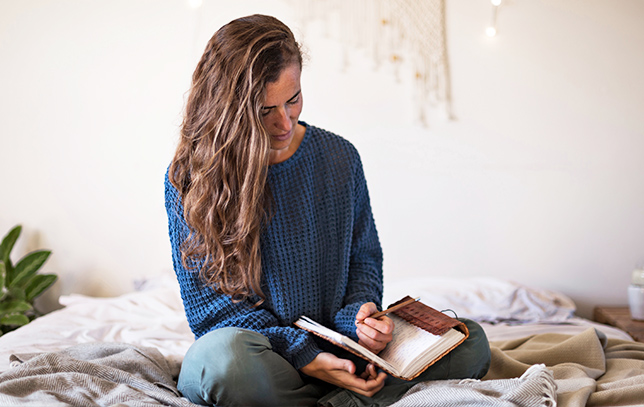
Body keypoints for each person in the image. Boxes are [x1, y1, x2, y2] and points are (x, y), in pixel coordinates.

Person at [165, 14, 491, 407]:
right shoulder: (192, 177)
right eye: (264, 110)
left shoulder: (340, 157)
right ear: (228, 109)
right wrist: (306, 357)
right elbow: (213, 314)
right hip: (270, 360)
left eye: (293, 99)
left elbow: (363, 260)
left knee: (468, 341)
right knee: (219, 361)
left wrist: (361, 317)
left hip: (343, 355)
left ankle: (338, 398)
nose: (284, 122)